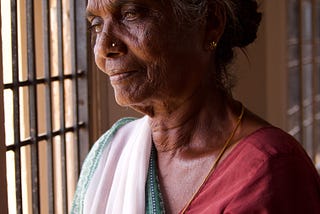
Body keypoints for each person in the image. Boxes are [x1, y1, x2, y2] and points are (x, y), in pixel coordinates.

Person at [71, 0, 320, 213]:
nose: (103, 48)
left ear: (211, 24)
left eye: (131, 13)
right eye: (96, 25)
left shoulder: (270, 171)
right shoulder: (109, 156)